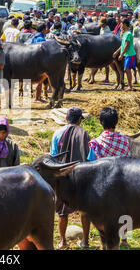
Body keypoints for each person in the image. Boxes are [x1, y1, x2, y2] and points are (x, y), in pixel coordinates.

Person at [49, 107, 91, 249]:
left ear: (66, 119)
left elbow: (52, 156)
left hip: (62, 177)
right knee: (85, 210)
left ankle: (62, 241)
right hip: (81, 177)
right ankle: (85, 241)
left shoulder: (57, 133)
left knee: (62, 211)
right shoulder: (84, 134)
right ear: (79, 119)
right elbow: (89, 157)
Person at [113, 18, 136, 91]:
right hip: (126, 54)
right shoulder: (124, 33)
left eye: (121, 23)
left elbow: (127, 45)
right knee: (126, 69)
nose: (120, 25)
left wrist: (121, 54)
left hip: (130, 54)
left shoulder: (128, 34)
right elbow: (122, 45)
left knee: (127, 69)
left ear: (125, 25)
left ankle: (130, 86)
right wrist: (117, 52)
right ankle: (130, 86)